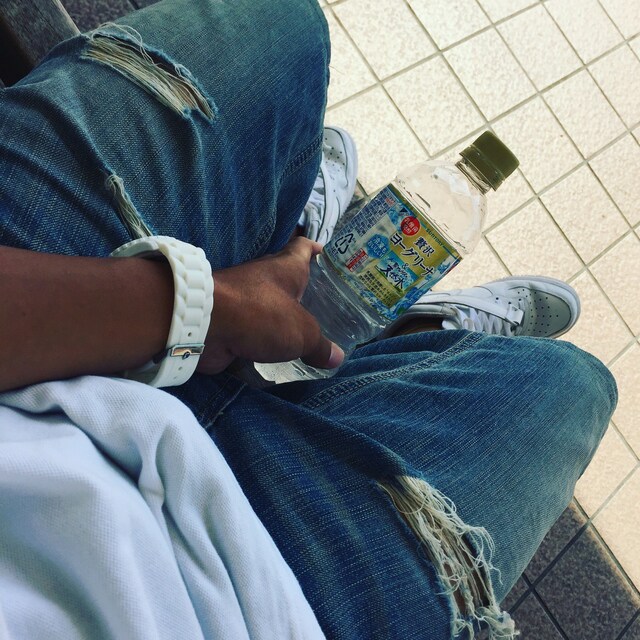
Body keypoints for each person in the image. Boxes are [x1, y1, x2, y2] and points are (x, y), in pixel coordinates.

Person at [0, 0, 617, 638]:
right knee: (572, 385)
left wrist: (200, 307)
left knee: (277, 24)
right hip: (276, 598)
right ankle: (408, 336)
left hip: (32, 372)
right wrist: (203, 306)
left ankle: (298, 263)